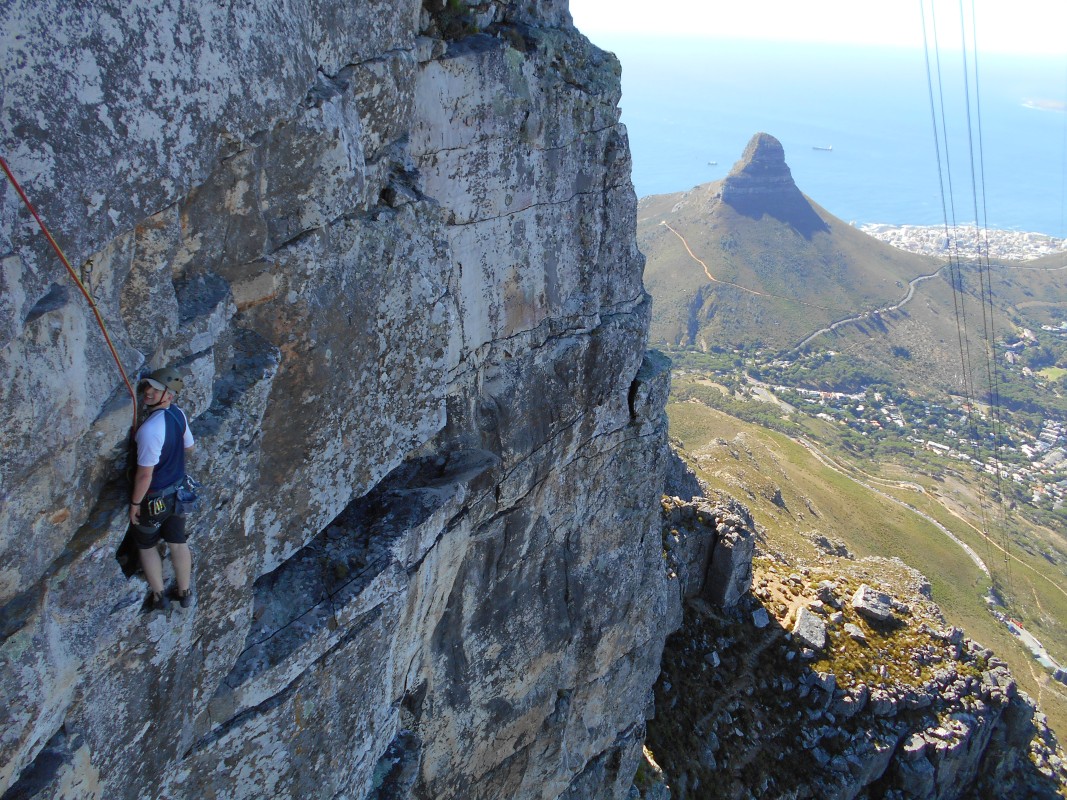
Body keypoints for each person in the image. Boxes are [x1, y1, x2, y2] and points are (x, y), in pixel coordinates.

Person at [129, 367, 195, 612]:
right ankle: (185, 592)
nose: (147, 392)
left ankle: (159, 597)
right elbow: (189, 447)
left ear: (168, 394)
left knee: (146, 545)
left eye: (154, 389)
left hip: (153, 498)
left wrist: (135, 504)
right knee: (178, 542)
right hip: (177, 493)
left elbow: (145, 474)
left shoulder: (149, 430)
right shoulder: (178, 415)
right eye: (146, 386)